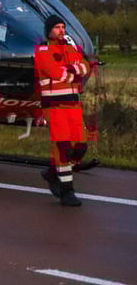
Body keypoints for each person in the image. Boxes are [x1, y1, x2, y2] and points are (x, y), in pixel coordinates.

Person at [35, 14, 90, 206]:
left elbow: (86, 67)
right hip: (55, 106)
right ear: (49, 30)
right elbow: (56, 73)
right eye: (57, 27)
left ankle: (52, 172)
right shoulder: (42, 50)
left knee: (81, 145)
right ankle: (67, 191)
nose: (61, 30)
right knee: (63, 147)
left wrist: (74, 70)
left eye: (63, 27)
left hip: (74, 105)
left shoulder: (70, 48)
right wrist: (73, 70)